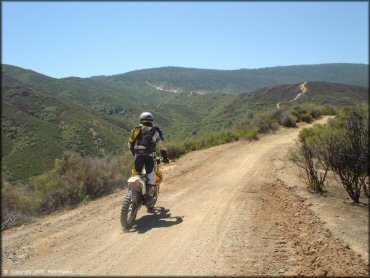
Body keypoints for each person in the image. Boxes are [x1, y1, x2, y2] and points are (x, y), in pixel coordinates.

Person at [128, 112, 169, 197]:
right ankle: (149, 195)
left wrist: (133, 153)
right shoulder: (156, 130)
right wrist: (165, 158)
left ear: (141, 119)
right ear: (152, 120)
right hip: (149, 156)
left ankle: (135, 192)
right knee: (151, 175)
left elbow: (130, 143)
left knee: (136, 173)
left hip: (138, 155)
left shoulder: (137, 129)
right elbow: (162, 145)